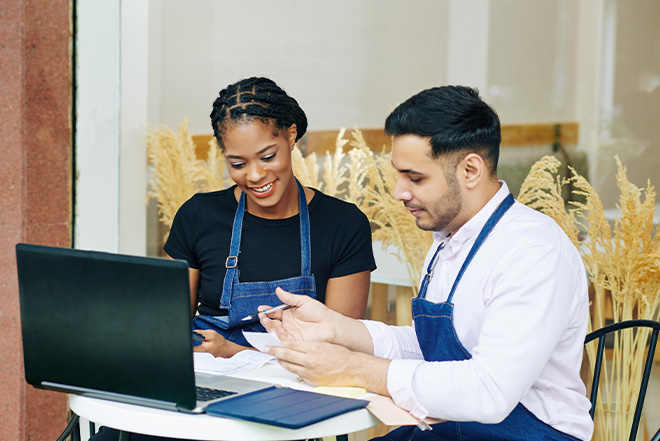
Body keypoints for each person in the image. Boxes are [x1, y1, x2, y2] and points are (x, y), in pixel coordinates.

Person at [260, 85, 594, 441]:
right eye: (399, 175)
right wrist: (337, 329)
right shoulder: (448, 239)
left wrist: (353, 368)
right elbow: (436, 349)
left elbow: (490, 391)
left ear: (470, 170)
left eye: (415, 178)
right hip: (449, 429)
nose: (399, 192)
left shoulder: (533, 251)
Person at [90, 76, 376, 441]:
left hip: (289, 401)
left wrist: (235, 352)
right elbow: (163, 327)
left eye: (267, 156)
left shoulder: (342, 224)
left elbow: (339, 354)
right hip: (202, 390)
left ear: (291, 136)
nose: (255, 175)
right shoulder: (199, 216)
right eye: (237, 163)